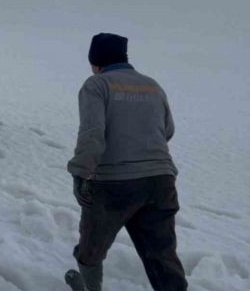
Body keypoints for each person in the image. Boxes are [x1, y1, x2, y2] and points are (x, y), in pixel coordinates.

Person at [65, 33, 187, 291]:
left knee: (92, 247)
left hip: (114, 184)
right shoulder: (152, 86)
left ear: (96, 61)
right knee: (162, 254)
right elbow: (168, 130)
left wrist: (80, 174)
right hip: (161, 181)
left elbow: (92, 135)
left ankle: (90, 287)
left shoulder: (96, 85)